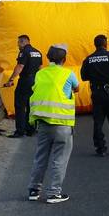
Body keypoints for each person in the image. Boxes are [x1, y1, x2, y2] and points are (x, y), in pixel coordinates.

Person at [27, 44, 79, 204]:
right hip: (62, 124)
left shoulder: (40, 74)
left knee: (40, 157)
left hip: (43, 123)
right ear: (64, 59)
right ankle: (54, 193)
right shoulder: (68, 74)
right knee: (59, 159)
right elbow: (77, 88)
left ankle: (34, 191)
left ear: (48, 58)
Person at [3, 35, 42, 138]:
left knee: (20, 105)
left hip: (25, 80)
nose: (18, 46)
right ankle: (31, 129)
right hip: (35, 80)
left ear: (22, 42)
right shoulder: (38, 52)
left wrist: (11, 79)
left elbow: (20, 66)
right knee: (31, 105)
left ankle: (20, 131)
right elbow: (40, 68)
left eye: (18, 43)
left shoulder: (24, 52)